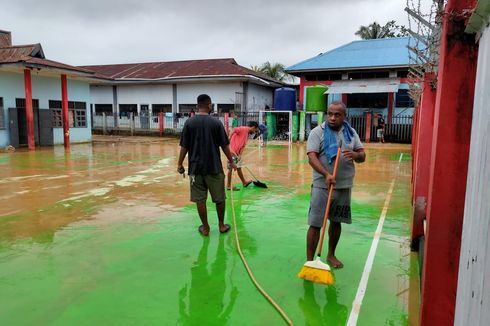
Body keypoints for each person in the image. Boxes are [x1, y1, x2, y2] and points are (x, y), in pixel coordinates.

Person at [305, 101, 365, 268]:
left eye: (337, 115)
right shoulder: (318, 132)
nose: (332, 118)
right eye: (329, 114)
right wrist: (326, 174)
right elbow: (312, 157)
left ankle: (331, 255)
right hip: (322, 185)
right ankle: (310, 261)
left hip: (344, 185)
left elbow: (362, 155)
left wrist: (355, 154)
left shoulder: (351, 133)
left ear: (344, 116)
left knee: (336, 221)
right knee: (316, 223)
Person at [177, 94, 237, 236]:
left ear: (198, 106)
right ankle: (221, 226)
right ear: (209, 105)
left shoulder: (189, 123)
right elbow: (224, 146)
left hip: (195, 169)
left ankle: (206, 228)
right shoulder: (216, 123)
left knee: (200, 199)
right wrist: (232, 162)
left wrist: (179, 164)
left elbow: (184, 147)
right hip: (214, 168)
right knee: (219, 198)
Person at [226, 121, 259, 191]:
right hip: (231, 151)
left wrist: (240, 155)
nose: (254, 132)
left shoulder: (247, 134)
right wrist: (229, 138)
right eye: (255, 130)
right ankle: (228, 186)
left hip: (237, 153)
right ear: (253, 127)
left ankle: (244, 182)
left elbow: (243, 146)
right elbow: (234, 129)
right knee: (230, 168)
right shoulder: (243, 129)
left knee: (239, 168)